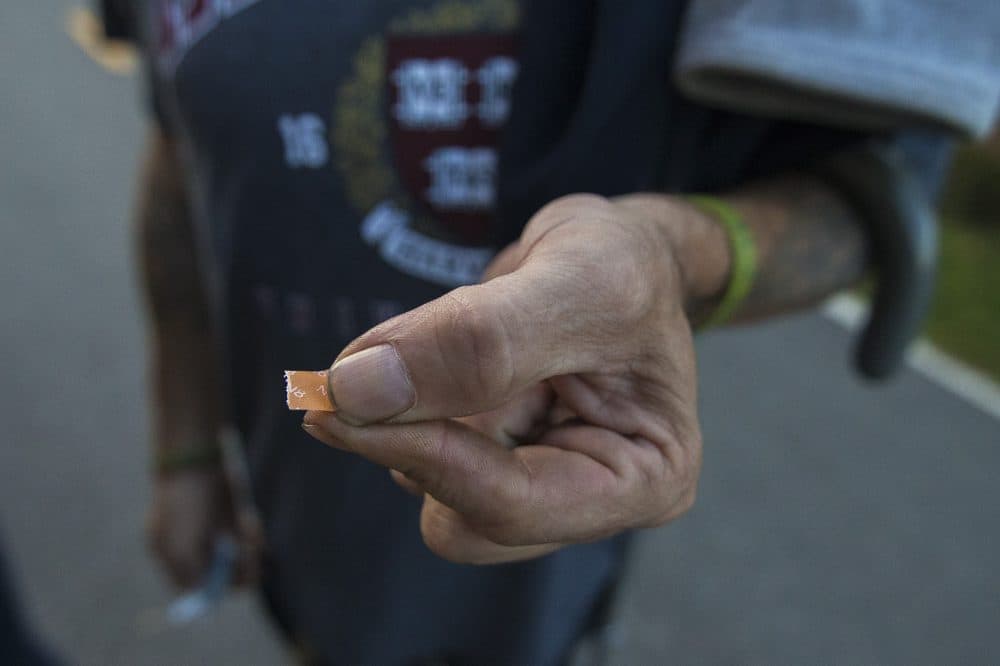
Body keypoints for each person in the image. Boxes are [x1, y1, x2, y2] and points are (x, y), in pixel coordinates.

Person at [107, 0, 996, 663]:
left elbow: (869, 196)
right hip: (294, 541)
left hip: (537, 575)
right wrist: (184, 447)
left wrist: (672, 252)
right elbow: (178, 147)